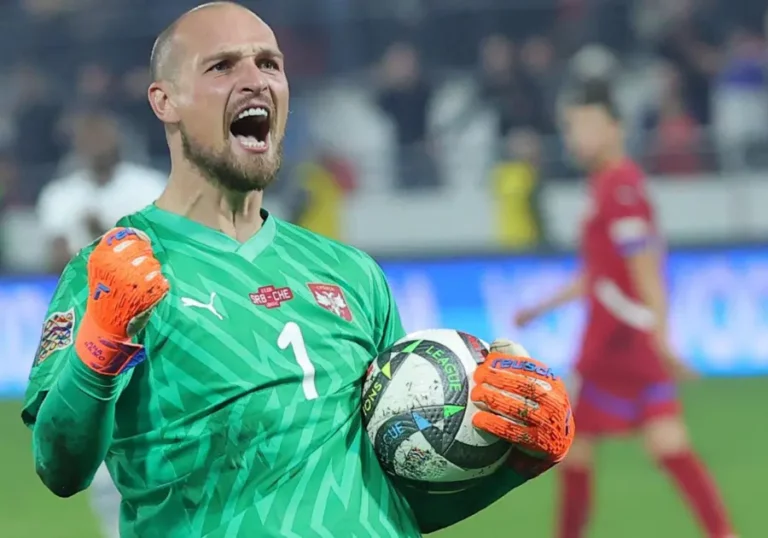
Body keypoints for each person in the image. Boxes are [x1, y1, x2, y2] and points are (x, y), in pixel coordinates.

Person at [21, 3, 574, 537]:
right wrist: (100, 343)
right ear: (166, 101)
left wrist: (516, 461)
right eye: (222, 66)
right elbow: (59, 467)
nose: (255, 80)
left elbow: (396, 492)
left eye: (269, 63)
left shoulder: (352, 274)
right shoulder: (116, 269)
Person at [514, 81, 735, 538]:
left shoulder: (621, 188)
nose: (576, 137)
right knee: (665, 443)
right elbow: (601, 273)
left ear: (615, 129)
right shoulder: (609, 186)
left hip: (618, 341)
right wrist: (542, 307)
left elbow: (645, 267)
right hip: (624, 337)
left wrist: (661, 336)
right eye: (571, 128)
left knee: (572, 445)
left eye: (586, 126)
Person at [36, 108, 165, 272]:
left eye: (101, 136)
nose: (96, 144)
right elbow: (56, 260)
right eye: (88, 137)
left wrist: (102, 234)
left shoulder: (149, 186)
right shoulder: (59, 194)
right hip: (80, 289)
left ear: (118, 140)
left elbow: (161, 249)